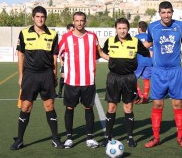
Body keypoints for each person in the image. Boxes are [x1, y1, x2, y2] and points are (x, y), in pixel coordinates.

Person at [10, 6, 64, 150]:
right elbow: (20, 55)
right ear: (33, 18)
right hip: (30, 75)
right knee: (26, 107)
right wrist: (21, 75)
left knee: (49, 106)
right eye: (38, 16)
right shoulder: (24, 33)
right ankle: (20, 139)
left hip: (46, 74)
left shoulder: (52, 34)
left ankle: (55, 139)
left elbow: (54, 57)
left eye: (43, 17)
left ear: (45, 18)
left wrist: (54, 75)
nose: (40, 19)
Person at [144, 1, 182, 148]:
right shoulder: (152, 27)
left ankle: (180, 137)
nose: (166, 15)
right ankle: (156, 137)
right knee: (157, 103)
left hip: (175, 71)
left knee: (177, 104)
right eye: (163, 12)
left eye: (169, 12)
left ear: (172, 12)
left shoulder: (180, 26)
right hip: (158, 72)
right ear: (159, 13)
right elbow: (148, 44)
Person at [58, 12, 107, 148]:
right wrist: (62, 69)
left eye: (82, 20)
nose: (79, 23)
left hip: (88, 80)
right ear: (73, 22)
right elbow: (57, 53)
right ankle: (69, 137)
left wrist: (116, 59)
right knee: (69, 108)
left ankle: (90, 138)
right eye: (77, 20)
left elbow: (101, 52)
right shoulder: (66, 38)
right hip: (71, 81)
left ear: (85, 22)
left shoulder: (92, 37)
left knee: (88, 108)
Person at [100, 17, 150, 147]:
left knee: (128, 107)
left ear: (128, 29)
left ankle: (130, 137)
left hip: (129, 78)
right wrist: (111, 59)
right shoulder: (110, 41)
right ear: (116, 29)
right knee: (111, 107)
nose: (122, 31)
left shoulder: (135, 41)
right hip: (113, 78)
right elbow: (102, 53)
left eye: (124, 28)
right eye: (119, 28)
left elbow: (147, 52)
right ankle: (107, 136)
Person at [134, 21, 153, 104]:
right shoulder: (150, 38)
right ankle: (145, 97)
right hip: (149, 60)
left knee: (133, 79)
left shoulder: (135, 38)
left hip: (140, 60)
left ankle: (139, 96)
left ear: (139, 28)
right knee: (146, 79)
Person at [56, 23, 74, 98]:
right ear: (68, 30)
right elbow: (59, 50)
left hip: (72, 60)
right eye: (72, 30)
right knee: (63, 76)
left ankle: (70, 93)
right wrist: (61, 61)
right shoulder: (65, 38)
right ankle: (60, 92)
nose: (73, 31)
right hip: (65, 60)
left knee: (72, 76)